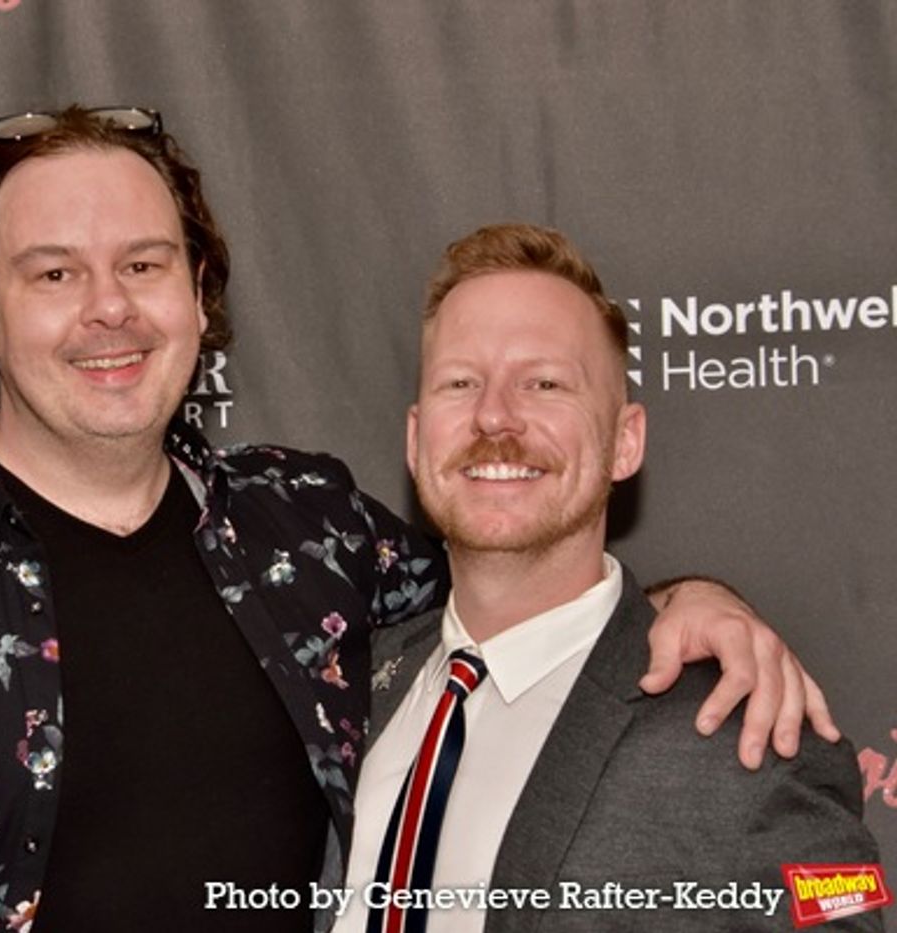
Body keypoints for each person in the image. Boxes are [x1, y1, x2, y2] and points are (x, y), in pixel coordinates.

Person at [0, 109, 832, 933]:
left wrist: (688, 601)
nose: (108, 309)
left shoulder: (310, 534)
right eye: (53, 273)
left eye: (143, 264)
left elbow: (519, 579)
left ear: (196, 295)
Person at [337, 223, 880, 933]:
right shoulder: (346, 693)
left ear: (625, 441)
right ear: (415, 440)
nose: (494, 415)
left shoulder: (748, 730)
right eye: (461, 382)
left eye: (544, 383)